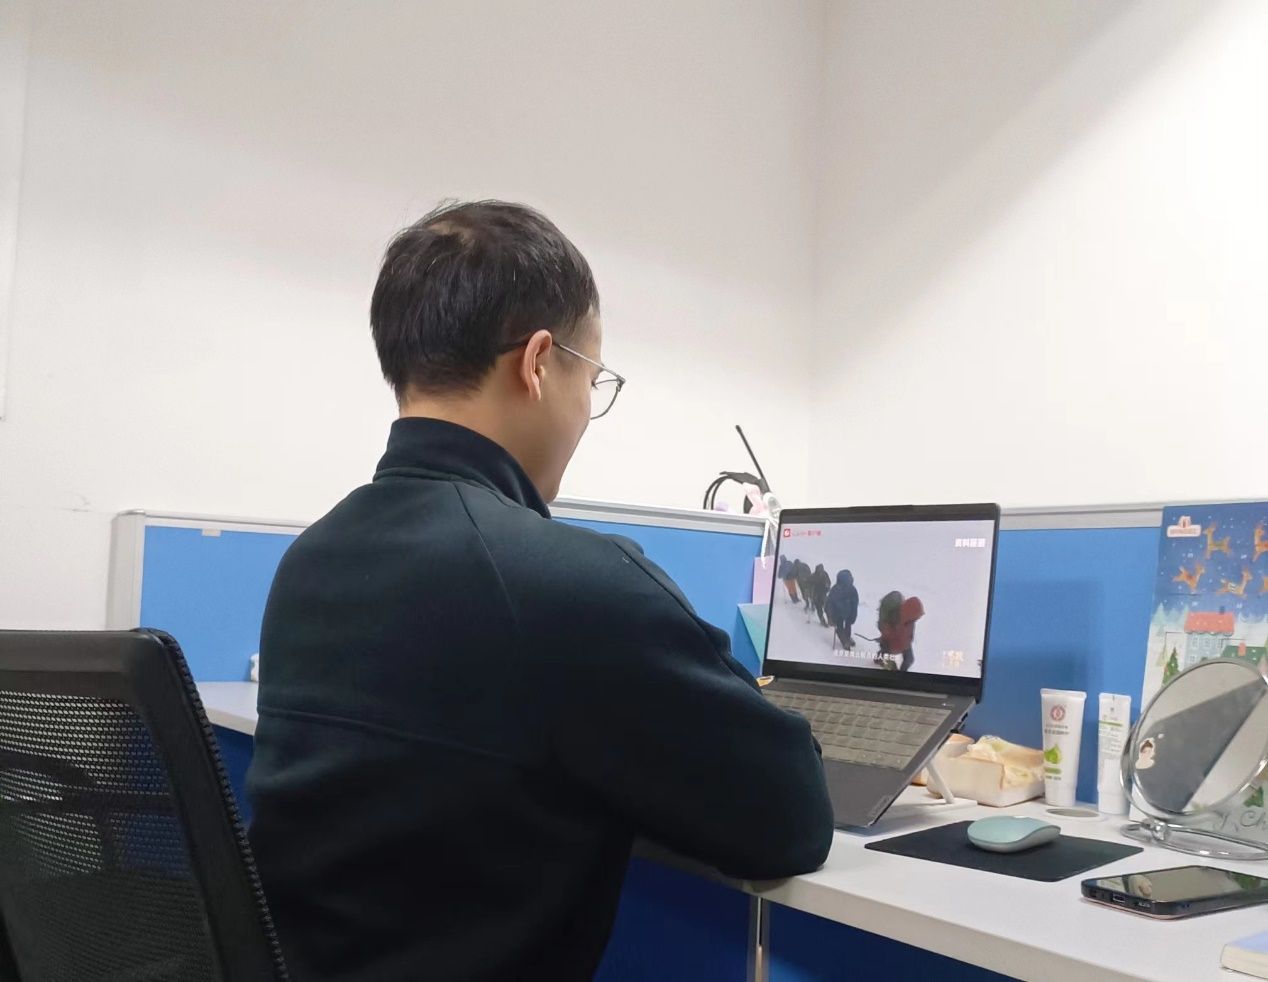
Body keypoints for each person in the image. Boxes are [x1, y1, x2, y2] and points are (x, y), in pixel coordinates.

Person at [246, 200, 834, 982]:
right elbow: (789, 819)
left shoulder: (313, 559)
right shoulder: (565, 584)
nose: (588, 408)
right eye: (594, 377)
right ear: (538, 363)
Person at [877, 591, 924, 671]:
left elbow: (908, 635)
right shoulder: (891, 618)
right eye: (917, 616)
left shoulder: (910, 620)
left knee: (909, 659)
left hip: (899, 640)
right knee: (890, 666)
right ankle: (881, 658)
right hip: (889, 640)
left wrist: (906, 647)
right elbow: (886, 634)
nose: (917, 618)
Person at [825, 569, 859, 650]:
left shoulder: (852, 589)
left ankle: (847, 638)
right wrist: (830, 616)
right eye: (849, 578)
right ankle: (844, 641)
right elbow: (829, 603)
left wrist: (853, 615)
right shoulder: (835, 590)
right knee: (840, 627)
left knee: (848, 626)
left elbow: (855, 603)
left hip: (848, 613)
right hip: (838, 614)